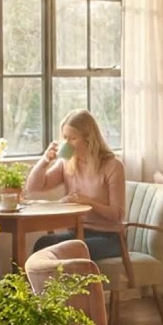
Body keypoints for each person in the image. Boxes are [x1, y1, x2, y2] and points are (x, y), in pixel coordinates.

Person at [27, 110, 126, 260]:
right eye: (65, 138)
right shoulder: (67, 163)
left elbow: (117, 214)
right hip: (78, 233)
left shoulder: (112, 166)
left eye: (72, 138)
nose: (67, 143)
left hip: (109, 238)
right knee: (43, 244)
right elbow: (34, 187)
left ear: (88, 139)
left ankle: (71, 284)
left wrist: (88, 202)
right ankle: (40, 284)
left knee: (67, 251)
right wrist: (45, 160)